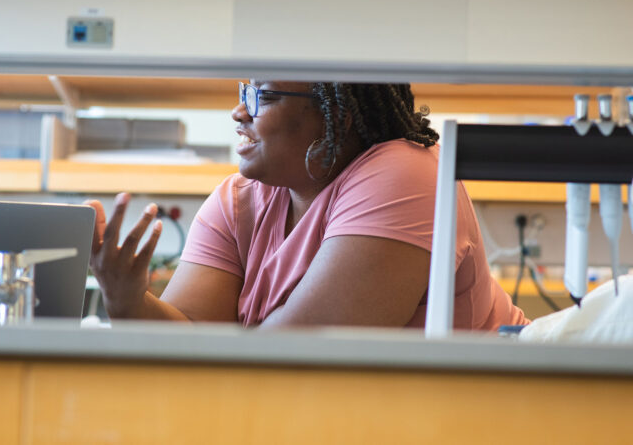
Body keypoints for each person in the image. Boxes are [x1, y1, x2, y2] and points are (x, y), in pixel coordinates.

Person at [90, 80, 527, 330]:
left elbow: (296, 361)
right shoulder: (237, 201)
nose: (239, 112)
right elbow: (190, 342)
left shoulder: (406, 173)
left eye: (264, 95)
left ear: (337, 117)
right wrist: (128, 301)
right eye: (243, 89)